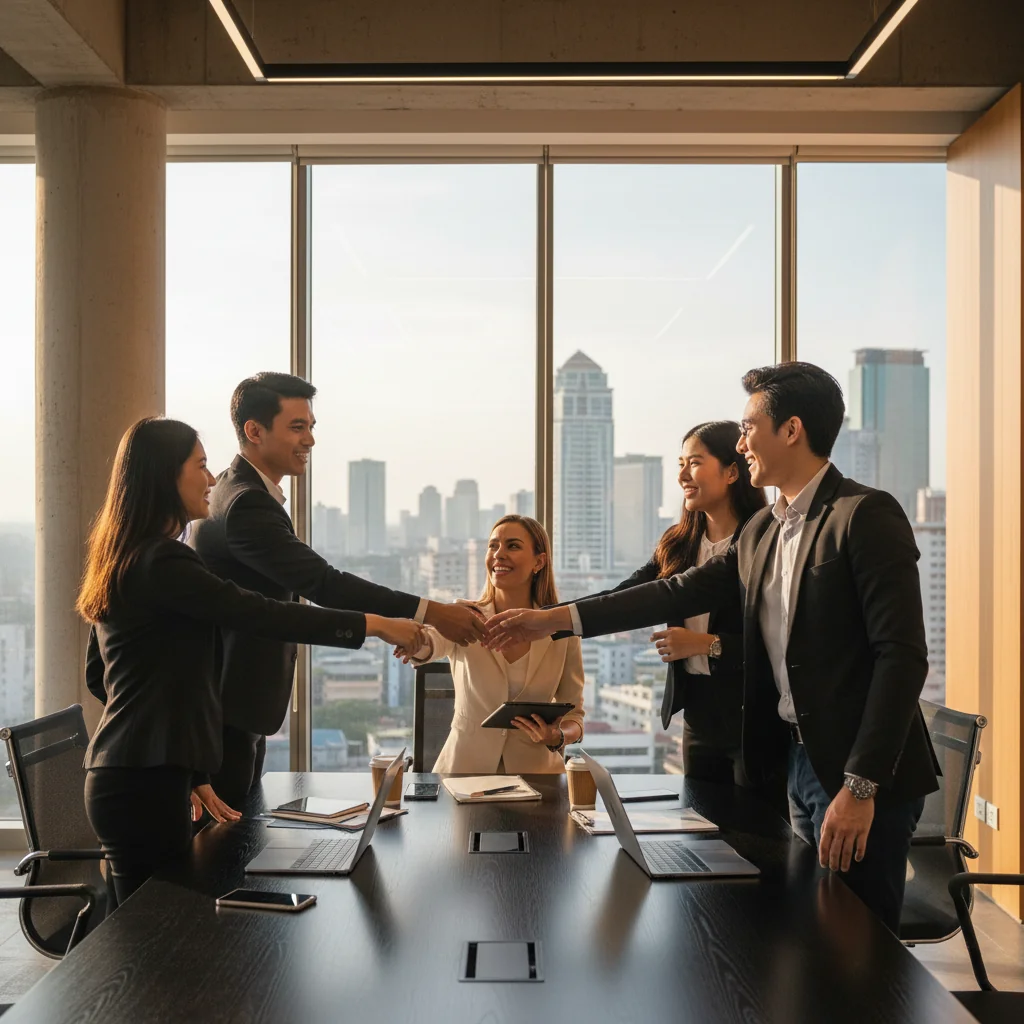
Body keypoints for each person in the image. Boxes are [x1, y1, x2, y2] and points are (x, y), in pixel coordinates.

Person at [485, 362, 938, 934]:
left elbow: (901, 657)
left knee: (860, 949)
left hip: (856, 774)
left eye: (750, 427)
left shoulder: (863, 515)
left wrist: (861, 784)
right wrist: (550, 621)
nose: (742, 440)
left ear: (791, 430)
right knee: (810, 939)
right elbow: (671, 590)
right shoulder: (762, 532)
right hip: (796, 760)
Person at [78, 417, 423, 903]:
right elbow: (260, 613)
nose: (211, 478)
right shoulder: (163, 562)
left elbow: (104, 676)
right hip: (140, 788)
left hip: (134, 778)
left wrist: (181, 762)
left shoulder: (125, 557)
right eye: (199, 465)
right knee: (150, 943)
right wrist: (378, 623)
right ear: (165, 476)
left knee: (155, 939)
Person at [189, 372, 487, 808]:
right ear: (254, 431)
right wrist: (429, 614)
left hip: (235, 704)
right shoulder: (245, 504)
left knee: (238, 845)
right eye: (297, 427)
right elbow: (323, 583)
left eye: (311, 427)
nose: (309, 440)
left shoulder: (234, 489)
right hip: (227, 710)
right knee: (225, 853)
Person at [610, 421, 765, 785]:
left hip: (752, 719)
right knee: (700, 826)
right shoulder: (679, 543)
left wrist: (706, 645)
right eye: (680, 463)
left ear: (731, 471)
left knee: (752, 833)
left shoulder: (761, 540)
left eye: (694, 462)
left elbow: (777, 644)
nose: (681, 475)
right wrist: (551, 617)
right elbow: (626, 597)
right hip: (697, 716)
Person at [395, 515, 584, 773]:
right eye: (493, 546)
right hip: (463, 774)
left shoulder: (560, 630)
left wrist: (558, 736)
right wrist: (416, 642)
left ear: (539, 562)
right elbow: (433, 642)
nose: (499, 554)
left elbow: (575, 716)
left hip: (538, 778)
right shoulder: (466, 616)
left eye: (513, 546)